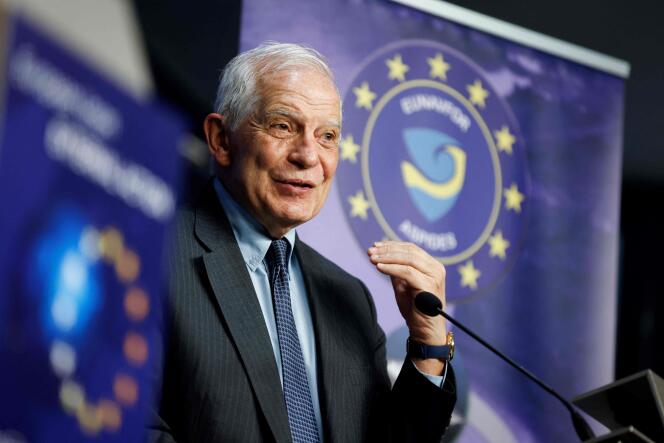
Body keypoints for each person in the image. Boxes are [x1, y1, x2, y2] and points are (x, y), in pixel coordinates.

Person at [149, 42, 456, 442]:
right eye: (283, 126)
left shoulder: (349, 298)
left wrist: (428, 344)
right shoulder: (154, 255)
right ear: (221, 140)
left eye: (327, 135)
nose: (309, 156)